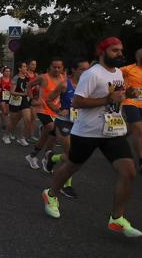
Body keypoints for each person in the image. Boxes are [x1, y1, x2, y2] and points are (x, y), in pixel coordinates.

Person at [42, 37, 141, 237]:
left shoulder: (118, 74)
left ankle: (117, 219)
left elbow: (115, 97)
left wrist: (127, 92)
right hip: (87, 131)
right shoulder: (92, 74)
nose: (120, 54)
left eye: (121, 50)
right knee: (71, 166)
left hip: (112, 131)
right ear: (102, 52)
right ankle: (50, 194)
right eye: (114, 51)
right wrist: (107, 99)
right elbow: (77, 102)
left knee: (129, 171)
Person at [44, 59, 90, 198]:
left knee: (78, 155)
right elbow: (49, 99)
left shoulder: (90, 86)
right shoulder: (64, 84)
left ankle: (52, 158)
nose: (86, 72)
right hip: (64, 122)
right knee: (71, 155)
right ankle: (66, 185)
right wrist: (58, 110)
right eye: (82, 69)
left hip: (80, 124)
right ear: (74, 70)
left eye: (88, 69)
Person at [25, 59, 64, 170]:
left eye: (59, 67)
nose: (56, 69)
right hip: (42, 109)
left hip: (56, 110)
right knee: (51, 127)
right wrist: (31, 99)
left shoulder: (63, 79)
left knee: (52, 135)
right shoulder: (43, 77)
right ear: (50, 67)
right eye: (54, 67)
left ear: (62, 68)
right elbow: (29, 85)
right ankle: (40, 155)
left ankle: (37, 156)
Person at [121, 48, 142, 173]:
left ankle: (116, 140)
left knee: (130, 130)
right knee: (139, 130)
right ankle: (141, 160)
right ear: (137, 57)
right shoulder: (127, 69)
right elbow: (112, 76)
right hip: (130, 103)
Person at [5, 62, 34, 146]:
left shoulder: (27, 78)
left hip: (24, 101)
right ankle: (6, 135)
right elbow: (11, 92)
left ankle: (21, 137)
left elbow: (28, 89)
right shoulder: (16, 78)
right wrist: (22, 94)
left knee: (28, 119)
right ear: (19, 68)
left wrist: (30, 97)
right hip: (15, 101)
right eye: (24, 67)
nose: (26, 68)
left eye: (26, 66)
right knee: (14, 121)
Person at [0, 66, 13, 143]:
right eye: (6, 71)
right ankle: (6, 128)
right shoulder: (0, 79)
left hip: (8, 97)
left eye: (8, 71)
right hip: (1, 97)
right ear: (3, 72)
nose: (7, 72)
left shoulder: (12, 80)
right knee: (5, 112)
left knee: (6, 112)